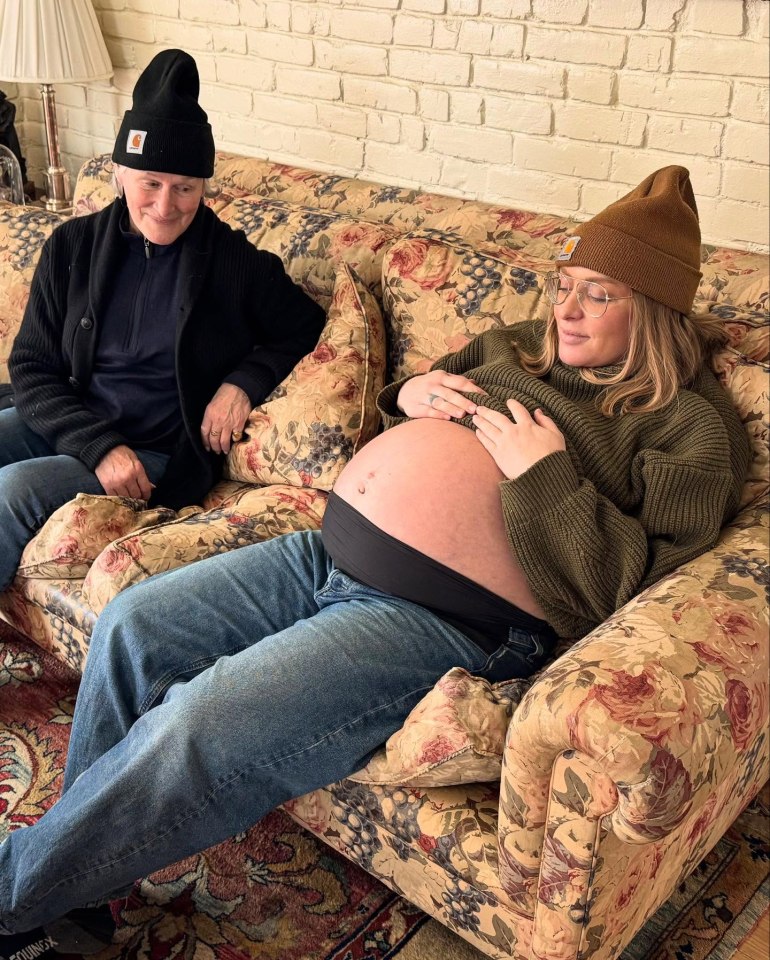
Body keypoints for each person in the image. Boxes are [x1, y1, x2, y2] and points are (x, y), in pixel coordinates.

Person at [0, 166, 750, 957]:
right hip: (326, 553)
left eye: (598, 293)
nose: (564, 309)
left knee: (197, 726)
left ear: (657, 308)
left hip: (446, 618)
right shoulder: (520, 347)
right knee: (132, 626)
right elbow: (403, 394)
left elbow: (627, 595)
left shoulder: (691, 432)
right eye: (564, 284)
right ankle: (74, 897)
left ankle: (14, 899)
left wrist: (548, 477)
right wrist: (415, 392)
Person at [0, 49, 325, 593]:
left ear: (204, 187)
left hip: (156, 450)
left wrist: (242, 382)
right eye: (150, 182)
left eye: (185, 187)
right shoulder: (71, 246)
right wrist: (99, 446)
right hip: (76, 423)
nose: (166, 205)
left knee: (14, 492)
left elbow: (306, 325)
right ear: (120, 174)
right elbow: (32, 365)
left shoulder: (235, 263)